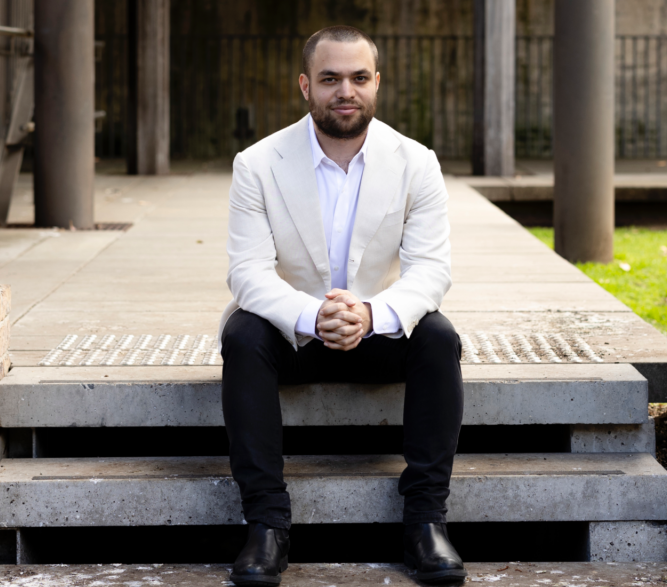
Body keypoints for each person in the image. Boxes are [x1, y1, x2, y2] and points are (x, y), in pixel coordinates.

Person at [218, 25, 466, 586]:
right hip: (293, 337)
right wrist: (314, 316)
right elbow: (247, 273)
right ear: (306, 85)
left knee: (439, 337)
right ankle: (267, 525)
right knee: (241, 336)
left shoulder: (416, 162)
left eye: (358, 78)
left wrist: (371, 316)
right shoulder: (257, 164)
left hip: (376, 332)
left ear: (376, 83)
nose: (345, 91)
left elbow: (432, 270)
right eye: (330, 79)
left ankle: (425, 522)